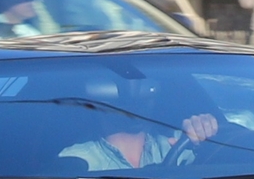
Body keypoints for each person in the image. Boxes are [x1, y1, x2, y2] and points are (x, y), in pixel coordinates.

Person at [56, 73, 222, 172]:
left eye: (145, 97)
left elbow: (230, 158)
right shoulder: (75, 162)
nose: (135, 102)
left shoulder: (178, 143)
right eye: (129, 99)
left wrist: (207, 131)